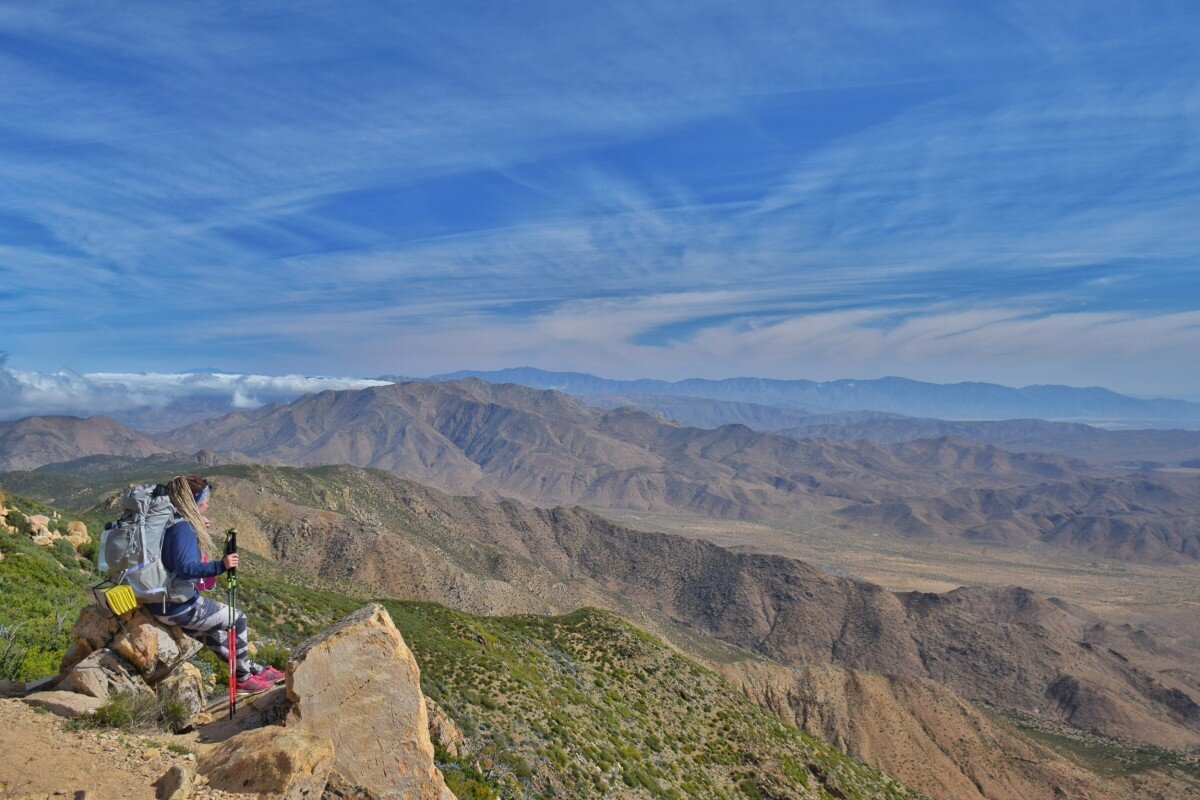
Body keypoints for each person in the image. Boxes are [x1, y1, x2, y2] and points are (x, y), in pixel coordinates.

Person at [155, 474, 283, 694]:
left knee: (216, 636)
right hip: (178, 606)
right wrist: (221, 565)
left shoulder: (170, 521)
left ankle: (253, 669)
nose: (208, 504)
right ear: (194, 502)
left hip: (161, 604)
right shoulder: (182, 528)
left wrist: (195, 526)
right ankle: (243, 679)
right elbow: (186, 568)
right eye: (205, 500)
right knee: (238, 618)